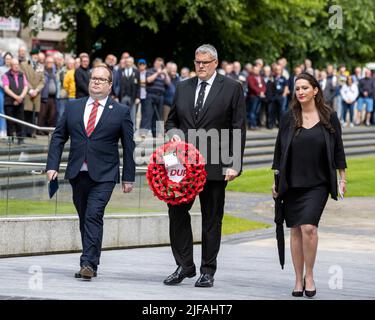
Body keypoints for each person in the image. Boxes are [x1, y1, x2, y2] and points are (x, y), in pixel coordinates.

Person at [164, 44, 246, 288]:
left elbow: (238, 128)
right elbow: (171, 122)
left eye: (205, 62)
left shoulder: (232, 88)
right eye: (197, 61)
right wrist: (173, 135)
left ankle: (207, 270)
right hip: (182, 165)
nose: (200, 65)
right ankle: (185, 265)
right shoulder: (183, 87)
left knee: (212, 218)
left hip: (215, 164)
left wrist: (234, 164)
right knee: (176, 211)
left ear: (215, 63)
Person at [46, 64, 136, 280]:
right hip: (78, 173)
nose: (96, 82)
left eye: (101, 79)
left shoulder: (121, 111)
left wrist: (128, 177)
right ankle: (91, 260)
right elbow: (59, 137)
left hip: (104, 174)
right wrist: (52, 166)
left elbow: (129, 145)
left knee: (94, 215)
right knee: (84, 216)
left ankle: (88, 263)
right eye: (93, 78)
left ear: (110, 85)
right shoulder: (73, 107)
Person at [272, 72, 347, 298]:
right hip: (292, 183)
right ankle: (297, 279)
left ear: (315, 90)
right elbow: (279, 151)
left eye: (305, 87)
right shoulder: (289, 117)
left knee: (309, 228)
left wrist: (342, 178)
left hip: (319, 183)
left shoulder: (328, 116)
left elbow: (338, 149)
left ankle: (310, 275)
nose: (301, 92)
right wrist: (276, 181)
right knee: (295, 229)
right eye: (298, 89)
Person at [2, 58, 28, 144]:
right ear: (11, 65)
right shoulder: (6, 75)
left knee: (20, 120)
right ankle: (10, 138)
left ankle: (20, 139)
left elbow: (25, 87)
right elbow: (6, 88)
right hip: (9, 102)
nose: (16, 66)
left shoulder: (22, 74)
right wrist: (16, 97)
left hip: (20, 101)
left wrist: (21, 97)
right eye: (14, 64)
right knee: (10, 121)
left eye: (17, 64)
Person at [20, 48, 45, 138]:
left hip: (37, 94)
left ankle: (31, 132)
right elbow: (23, 78)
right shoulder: (24, 64)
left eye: (37, 55)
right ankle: (25, 132)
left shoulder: (41, 66)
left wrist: (37, 90)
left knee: (34, 114)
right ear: (31, 55)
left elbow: (43, 81)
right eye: (34, 55)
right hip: (27, 92)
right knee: (27, 113)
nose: (36, 56)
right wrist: (30, 90)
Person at [145, 57, 171, 137]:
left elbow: (168, 83)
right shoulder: (150, 71)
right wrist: (157, 73)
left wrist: (165, 73)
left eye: (161, 64)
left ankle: (156, 133)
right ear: (155, 64)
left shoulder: (164, 73)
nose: (159, 65)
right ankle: (144, 133)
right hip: (151, 95)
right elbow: (148, 80)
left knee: (158, 115)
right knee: (148, 114)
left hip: (160, 96)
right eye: (158, 64)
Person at [113, 56, 140, 131]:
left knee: (132, 115)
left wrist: (138, 97)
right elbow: (116, 84)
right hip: (122, 96)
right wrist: (116, 96)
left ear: (132, 63)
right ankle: (121, 130)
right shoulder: (120, 71)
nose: (128, 63)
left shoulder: (136, 72)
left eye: (130, 62)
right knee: (122, 114)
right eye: (127, 62)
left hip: (133, 97)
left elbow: (138, 85)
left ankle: (132, 131)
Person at [0, 52, 13, 138]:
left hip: (11, 93)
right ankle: (3, 130)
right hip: (2, 91)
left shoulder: (14, 69)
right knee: (2, 111)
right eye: (6, 59)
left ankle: (10, 131)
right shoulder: (1, 68)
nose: (8, 60)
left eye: (9, 59)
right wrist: (6, 87)